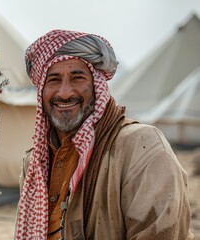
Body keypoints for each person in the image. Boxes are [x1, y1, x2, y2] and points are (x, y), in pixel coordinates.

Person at [15, 29, 192, 239]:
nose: (64, 92)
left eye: (77, 78)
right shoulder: (35, 162)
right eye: (53, 80)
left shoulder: (141, 146)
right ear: (41, 90)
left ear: (97, 86)